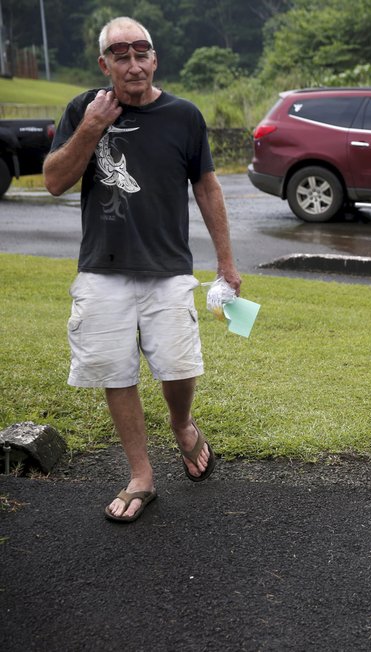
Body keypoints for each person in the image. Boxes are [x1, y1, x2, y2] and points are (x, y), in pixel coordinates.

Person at [42, 16, 241, 523]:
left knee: (179, 367)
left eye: (142, 53)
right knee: (116, 370)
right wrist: (91, 126)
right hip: (102, 268)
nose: (133, 64)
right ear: (104, 63)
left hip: (169, 266)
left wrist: (226, 261)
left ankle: (181, 424)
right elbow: (54, 181)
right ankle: (141, 475)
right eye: (121, 55)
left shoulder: (184, 116)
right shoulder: (83, 110)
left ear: (155, 58)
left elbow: (207, 188)